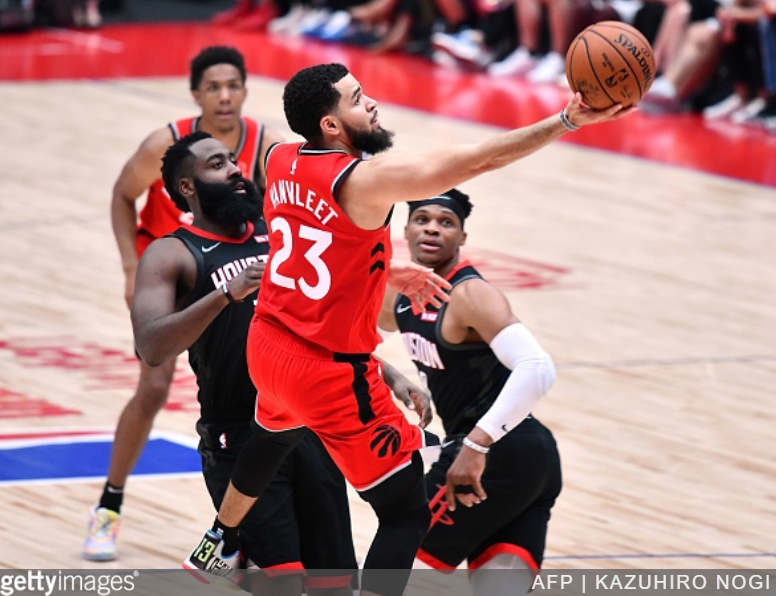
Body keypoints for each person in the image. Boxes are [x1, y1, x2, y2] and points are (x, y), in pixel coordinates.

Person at [185, 63, 631, 596]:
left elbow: (305, 239)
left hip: (270, 343)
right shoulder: (366, 181)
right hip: (327, 373)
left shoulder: (279, 158)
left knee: (271, 436)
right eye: (356, 98)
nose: (370, 103)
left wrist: (378, 266)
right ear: (330, 125)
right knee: (404, 511)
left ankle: (223, 537)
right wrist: (566, 119)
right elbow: (479, 159)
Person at [133, 130, 358, 594]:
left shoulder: (276, 230)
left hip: (305, 423)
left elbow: (325, 313)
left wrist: (383, 371)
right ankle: (229, 554)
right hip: (237, 432)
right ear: (188, 187)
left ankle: (226, 555)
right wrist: (224, 294)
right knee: (282, 583)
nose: (236, 169)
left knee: (335, 582)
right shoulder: (172, 253)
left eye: (233, 160)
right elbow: (151, 346)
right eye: (217, 165)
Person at [84, 46, 283, 561]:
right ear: (195, 94)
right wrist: (132, 266)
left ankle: (241, 528)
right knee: (153, 386)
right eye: (213, 87)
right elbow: (121, 195)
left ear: (244, 89)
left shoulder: (263, 146)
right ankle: (108, 505)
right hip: (175, 267)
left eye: (233, 85)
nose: (224, 96)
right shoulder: (166, 144)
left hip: (234, 268)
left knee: (261, 394)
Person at [378, 189, 562, 595]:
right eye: (422, 219)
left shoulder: (469, 294)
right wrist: (395, 378)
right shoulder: (404, 295)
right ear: (405, 230)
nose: (432, 228)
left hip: (494, 452)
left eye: (446, 223)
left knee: (394, 567)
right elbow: (353, 335)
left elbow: (538, 368)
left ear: (462, 238)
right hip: (530, 459)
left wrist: (476, 446)